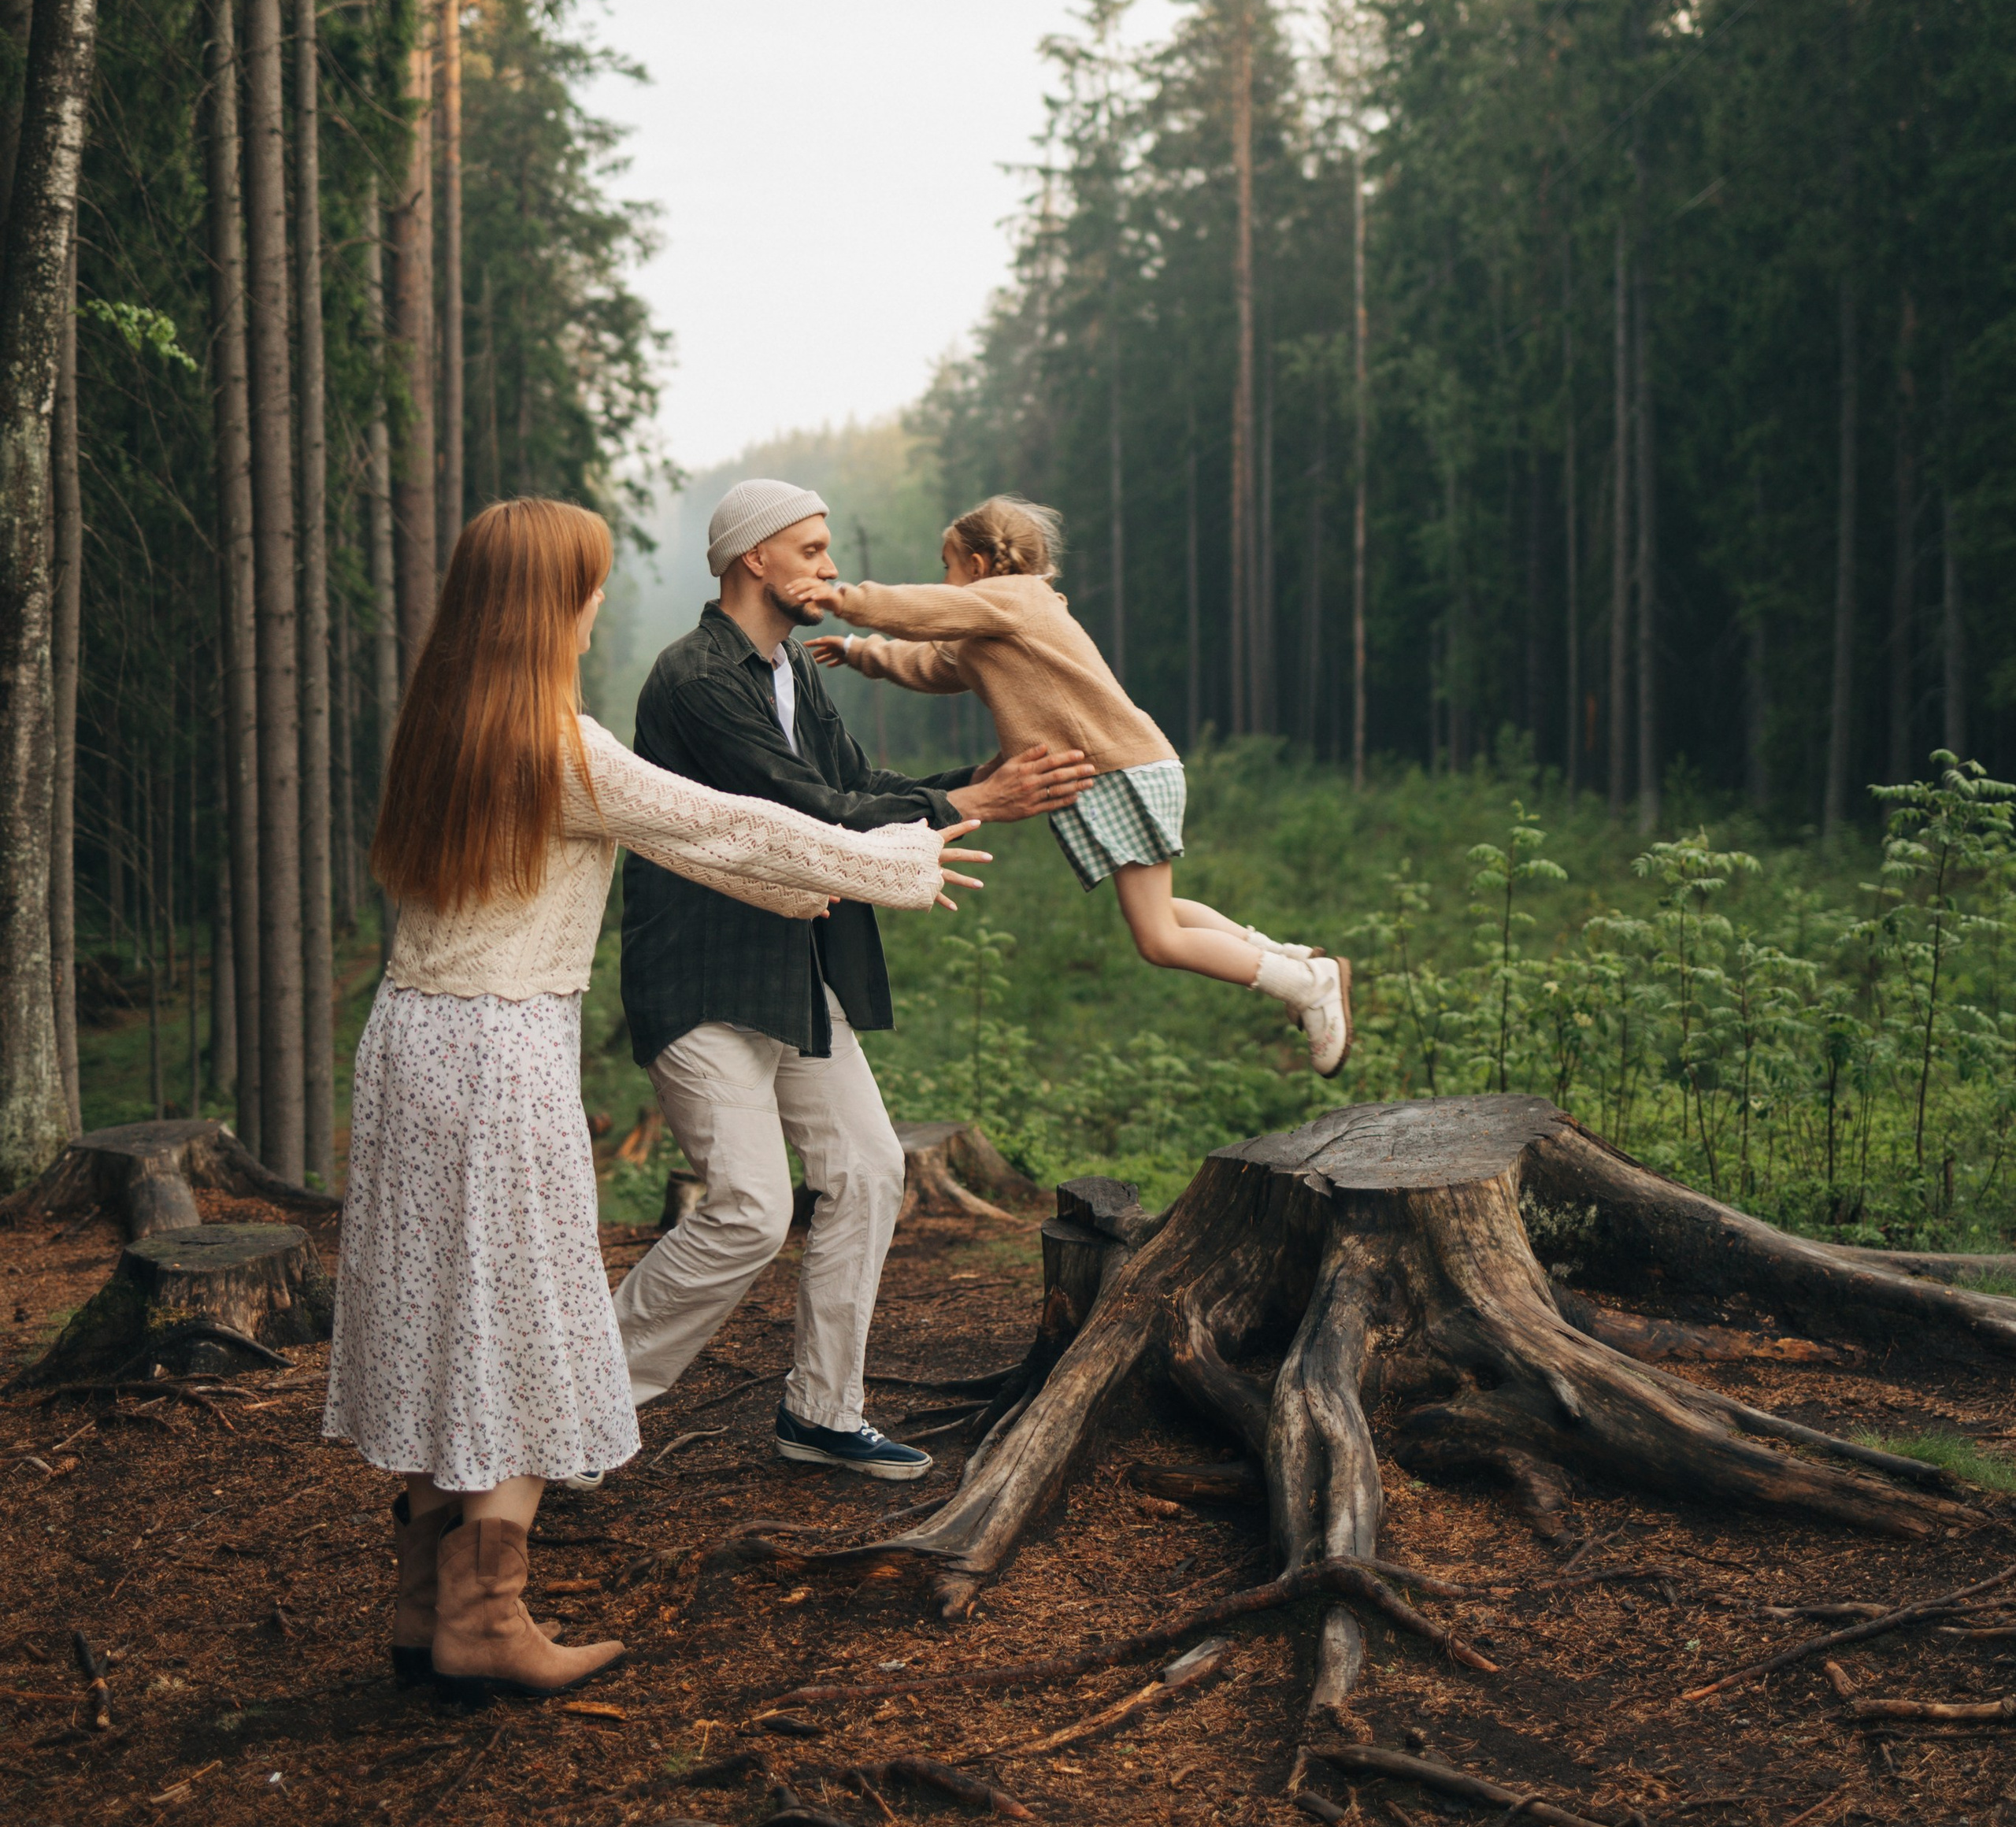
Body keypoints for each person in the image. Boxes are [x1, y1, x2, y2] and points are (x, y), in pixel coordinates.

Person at [323, 495, 982, 1705]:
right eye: (585, 589)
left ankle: (422, 1604)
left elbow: (715, 853)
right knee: (523, 1321)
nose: (592, 612)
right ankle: (487, 1613)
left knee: (430, 1316)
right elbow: (722, 824)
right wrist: (896, 861)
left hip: (409, 1047)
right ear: (545, 608)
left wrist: (817, 885)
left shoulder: (444, 730)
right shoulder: (558, 745)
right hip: (500, 1062)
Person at [613, 478, 1095, 1478]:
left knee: (870, 1172)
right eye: (813, 550)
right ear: (755, 558)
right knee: (749, 1209)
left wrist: (995, 775)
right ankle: (579, 1407)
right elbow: (800, 811)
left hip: (794, 971)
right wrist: (976, 800)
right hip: (701, 976)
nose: (830, 569)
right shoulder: (697, 677)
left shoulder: (791, 671)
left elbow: (860, 785)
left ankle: (821, 1412)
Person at [809, 493, 1351, 1069]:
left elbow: (927, 609)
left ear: (980, 564)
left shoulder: (1016, 597)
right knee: (1161, 912)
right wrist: (859, 652)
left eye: (948, 564)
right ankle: (1291, 959)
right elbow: (930, 664)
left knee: (1157, 939)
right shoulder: (988, 629)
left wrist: (845, 601)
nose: (944, 579)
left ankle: (1306, 985)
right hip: (1123, 769)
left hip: (1119, 768)